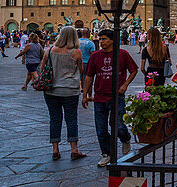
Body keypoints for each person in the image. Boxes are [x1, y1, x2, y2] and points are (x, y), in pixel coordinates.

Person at [82, 29, 138, 167]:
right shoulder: (95, 56)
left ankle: (125, 138)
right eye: (100, 39)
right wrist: (84, 95)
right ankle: (107, 154)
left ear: (112, 40)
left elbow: (134, 70)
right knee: (101, 129)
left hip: (117, 96)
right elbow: (89, 76)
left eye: (104, 39)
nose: (101, 42)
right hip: (100, 97)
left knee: (119, 126)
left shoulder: (122, 54)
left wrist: (125, 85)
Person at [41, 26, 86, 161]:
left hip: (51, 90)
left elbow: (43, 69)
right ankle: (74, 149)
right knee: (71, 119)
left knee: (55, 119)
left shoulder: (49, 51)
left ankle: (55, 150)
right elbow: (81, 70)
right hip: (70, 90)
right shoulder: (76, 52)